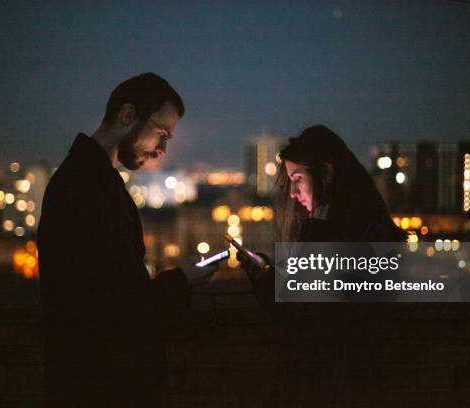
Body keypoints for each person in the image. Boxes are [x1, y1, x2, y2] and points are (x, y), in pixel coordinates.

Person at [37, 73, 217, 407]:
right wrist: (182, 282)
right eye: (161, 134)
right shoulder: (82, 189)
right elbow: (106, 308)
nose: (162, 150)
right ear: (128, 115)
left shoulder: (95, 182)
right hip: (100, 388)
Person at [241, 125, 406, 406]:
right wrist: (264, 275)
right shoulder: (331, 226)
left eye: (297, 178)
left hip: (336, 384)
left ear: (327, 174)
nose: (292, 192)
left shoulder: (359, 233)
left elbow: (312, 313)